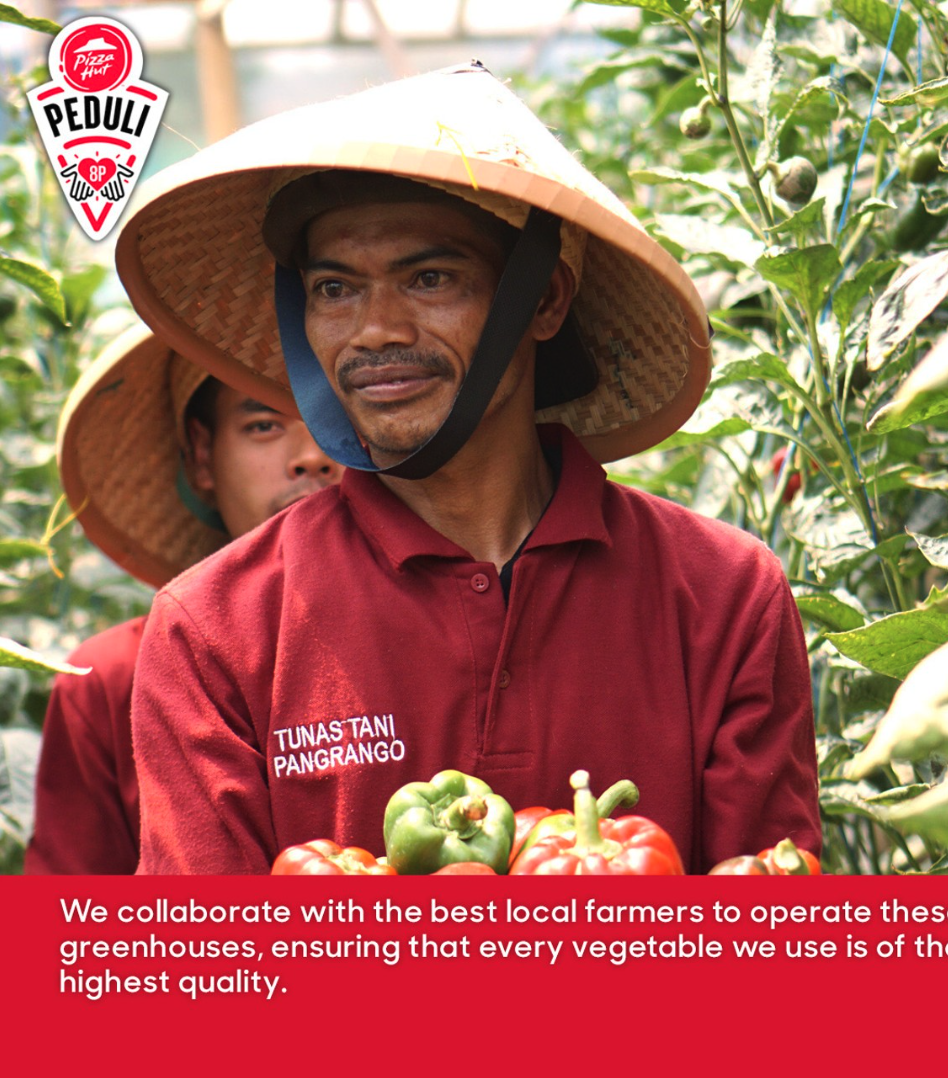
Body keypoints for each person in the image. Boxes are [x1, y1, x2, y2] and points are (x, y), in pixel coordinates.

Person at [117, 62, 820, 874]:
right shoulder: (219, 630)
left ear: (545, 300)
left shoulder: (723, 598)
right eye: (335, 287)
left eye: (429, 278)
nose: (375, 330)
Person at [23, 323, 342, 874]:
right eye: (264, 424)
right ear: (201, 455)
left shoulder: (442, 630)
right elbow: (65, 939)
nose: (310, 457)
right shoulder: (109, 681)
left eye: (334, 421)